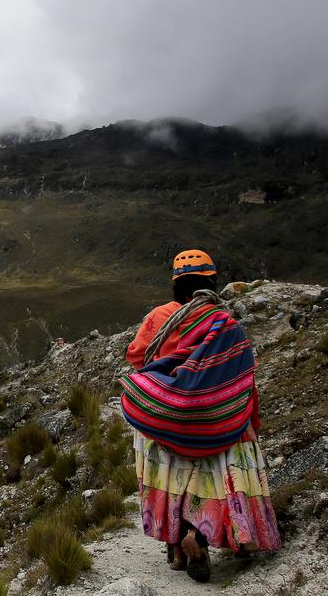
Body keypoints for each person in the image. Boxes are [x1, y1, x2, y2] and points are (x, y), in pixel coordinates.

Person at [119, 249, 280, 583]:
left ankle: (178, 544)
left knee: (173, 482)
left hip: (169, 422)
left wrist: (166, 378)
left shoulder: (161, 316)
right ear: (211, 281)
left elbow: (136, 356)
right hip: (216, 422)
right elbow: (243, 377)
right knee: (213, 482)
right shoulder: (224, 322)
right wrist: (249, 421)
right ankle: (206, 537)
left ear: (177, 285)